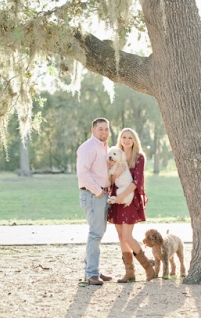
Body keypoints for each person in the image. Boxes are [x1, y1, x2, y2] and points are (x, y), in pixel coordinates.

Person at [107, 128, 155, 283]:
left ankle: (148, 268)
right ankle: (129, 272)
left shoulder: (139, 157)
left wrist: (122, 195)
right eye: (123, 137)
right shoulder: (115, 156)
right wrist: (116, 173)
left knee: (128, 236)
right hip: (116, 199)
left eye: (129, 138)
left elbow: (137, 182)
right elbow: (109, 182)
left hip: (129, 199)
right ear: (120, 139)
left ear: (134, 140)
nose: (126, 140)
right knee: (121, 237)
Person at [76, 117, 117, 285]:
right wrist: (99, 192)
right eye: (100, 129)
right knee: (95, 233)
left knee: (98, 233)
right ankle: (91, 273)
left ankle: (94, 269)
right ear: (93, 130)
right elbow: (83, 174)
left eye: (106, 129)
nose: (104, 132)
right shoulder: (87, 147)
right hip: (93, 196)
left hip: (102, 196)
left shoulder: (104, 147)